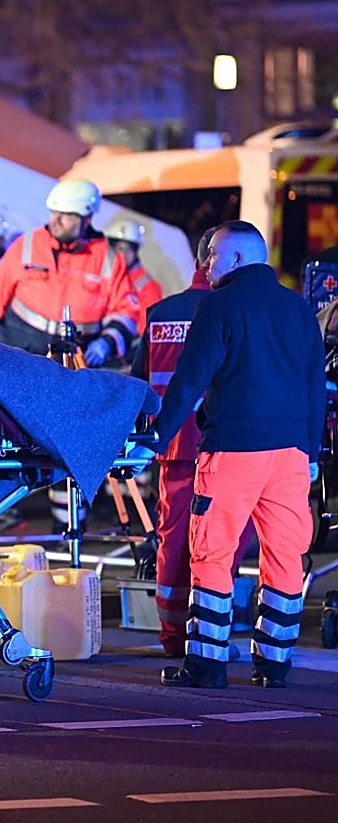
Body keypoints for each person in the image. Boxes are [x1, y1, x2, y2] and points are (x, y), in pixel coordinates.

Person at [133, 220, 325, 689]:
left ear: (236, 258)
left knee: (212, 555)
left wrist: (156, 437)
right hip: (290, 456)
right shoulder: (298, 309)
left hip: (234, 451)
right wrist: (311, 452)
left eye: (213, 256)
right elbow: (315, 386)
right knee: (284, 556)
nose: (206, 264)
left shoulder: (218, 306)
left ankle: (206, 664)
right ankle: (274, 664)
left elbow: (189, 381)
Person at [131, 225, 255, 658]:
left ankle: (172, 634)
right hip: (224, 446)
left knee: (174, 541)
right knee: (221, 544)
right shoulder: (234, 309)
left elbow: (141, 383)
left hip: (173, 449)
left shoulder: (162, 313)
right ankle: (207, 635)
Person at [0, 179, 141, 367]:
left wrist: (107, 343)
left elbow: (127, 311)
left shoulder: (108, 259)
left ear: (87, 218)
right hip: (21, 354)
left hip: (75, 362)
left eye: (66, 215)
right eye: (54, 212)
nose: (56, 220)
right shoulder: (28, 246)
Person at [105, 217, 163, 337]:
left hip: (128, 344)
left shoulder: (149, 287)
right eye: (119, 248)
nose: (124, 254)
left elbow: (146, 331)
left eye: (129, 249)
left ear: (135, 251)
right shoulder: (105, 277)